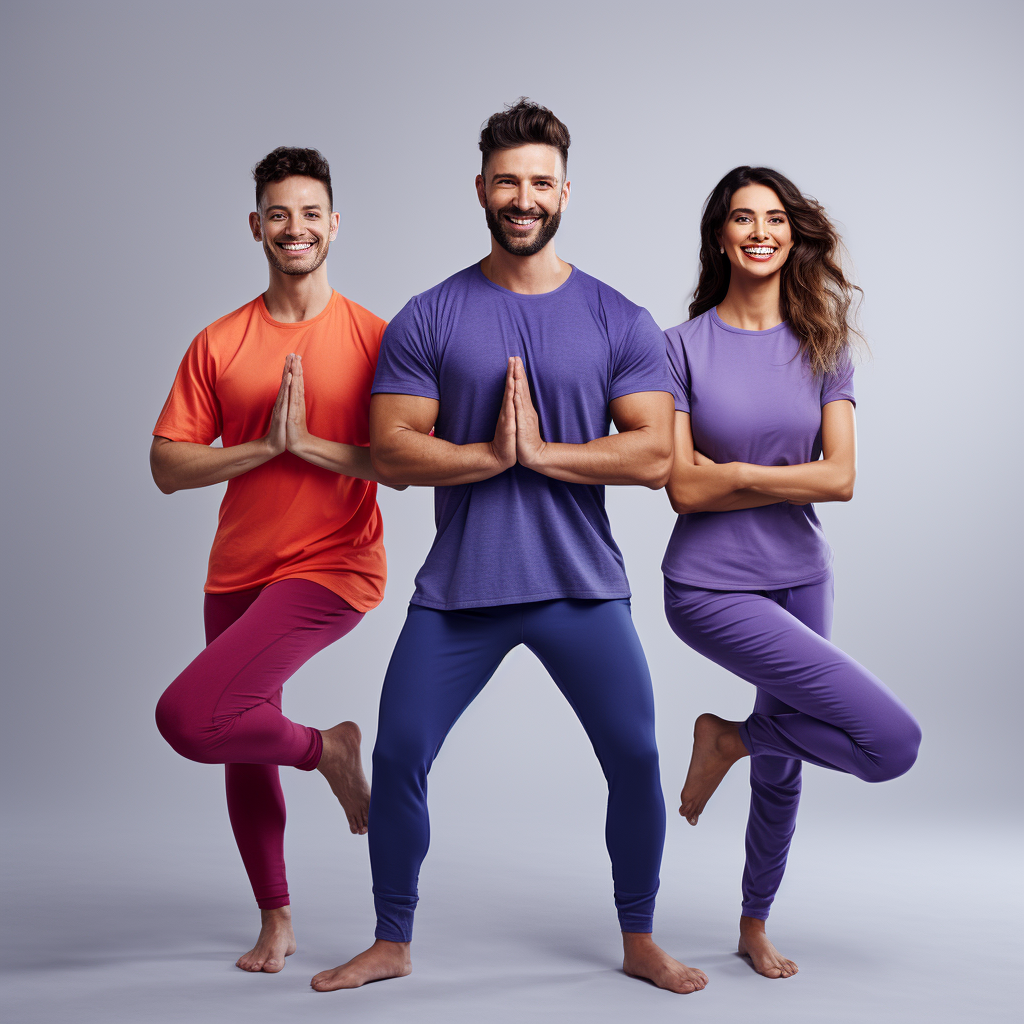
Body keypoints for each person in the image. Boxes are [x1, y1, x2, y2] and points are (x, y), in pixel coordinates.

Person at [310, 99, 707, 995]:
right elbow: (392, 450)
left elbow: (653, 454)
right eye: (506, 182)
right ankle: (393, 939)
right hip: (462, 590)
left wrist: (545, 454)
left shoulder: (616, 317)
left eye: (539, 182)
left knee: (636, 759)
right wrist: (489, 455)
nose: (522, 198)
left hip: (580, 588)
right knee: (401, 753)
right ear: (481, 189)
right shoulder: (432, 315)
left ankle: (640, 936)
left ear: (564, 190)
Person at [661, 166, 922, 978]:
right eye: (743, 218)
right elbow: (679, 486)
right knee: (891, 743)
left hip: (802, 574)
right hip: (708, 585)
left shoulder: (823, 345)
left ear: (792, 233)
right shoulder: (678, 348)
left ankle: (752, 919)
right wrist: (760, 476)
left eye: (775, 217)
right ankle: (732, 740)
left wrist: (734, 474)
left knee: (782, 762)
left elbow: (840, 477)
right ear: (720, 236)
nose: (761, 231)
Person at [151, 147, 395, 975]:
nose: (296, 228)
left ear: (335, 223)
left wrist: (314, 448)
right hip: (238, 570)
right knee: (235, 739)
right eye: (279, 214)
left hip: (334, 565)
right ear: (257, 226)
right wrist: (260, 447)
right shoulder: (219, 342)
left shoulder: (375, 338)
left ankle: (328, 751)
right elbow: (166, 466)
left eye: (311, 212)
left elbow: (401, 461)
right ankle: (277, 916)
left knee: (190, 716)